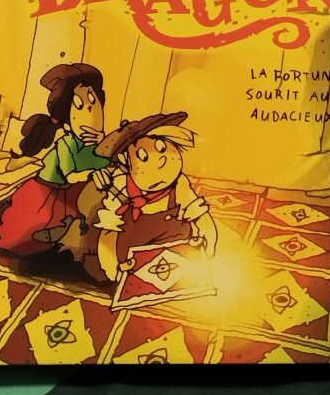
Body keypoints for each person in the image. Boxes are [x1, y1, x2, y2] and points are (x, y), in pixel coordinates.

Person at [66, 111, 217, 282]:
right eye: (143, 157)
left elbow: (199, 215)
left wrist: (207, 243)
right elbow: (109, 232)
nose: (160, 162)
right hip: (132, 251)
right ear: (125, 160)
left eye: (162, 149)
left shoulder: (179, 184)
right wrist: (114, 269)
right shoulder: (121, 186)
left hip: (171, 248)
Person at [0, 63, 109, 258]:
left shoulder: (100, 142)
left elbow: (107, 162)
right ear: (67, 122)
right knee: (30, 226)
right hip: (50, 188)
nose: (90, 110)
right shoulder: (66, 144)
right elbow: (70, 176)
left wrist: (103, 143)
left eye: (92, 101)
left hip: (74, 190)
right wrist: (92, 174)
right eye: (79, 106)